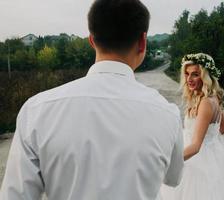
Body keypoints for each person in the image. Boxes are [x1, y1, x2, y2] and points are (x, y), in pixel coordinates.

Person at [0, 0, 184, 199]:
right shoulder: (167, 113)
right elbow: (173, 178)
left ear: (91, 40)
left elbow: (16, 195)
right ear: (143, 42)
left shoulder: (37, 110)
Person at [160, 53, 224, 200]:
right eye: (187, 74)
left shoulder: (206, 103)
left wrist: (168, 161)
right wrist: (210, 140)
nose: (189, 79)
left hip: (195, 163)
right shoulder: (214, 98)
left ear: (205, 76)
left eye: (195, 74)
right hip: (207, 158)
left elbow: (195, 146)